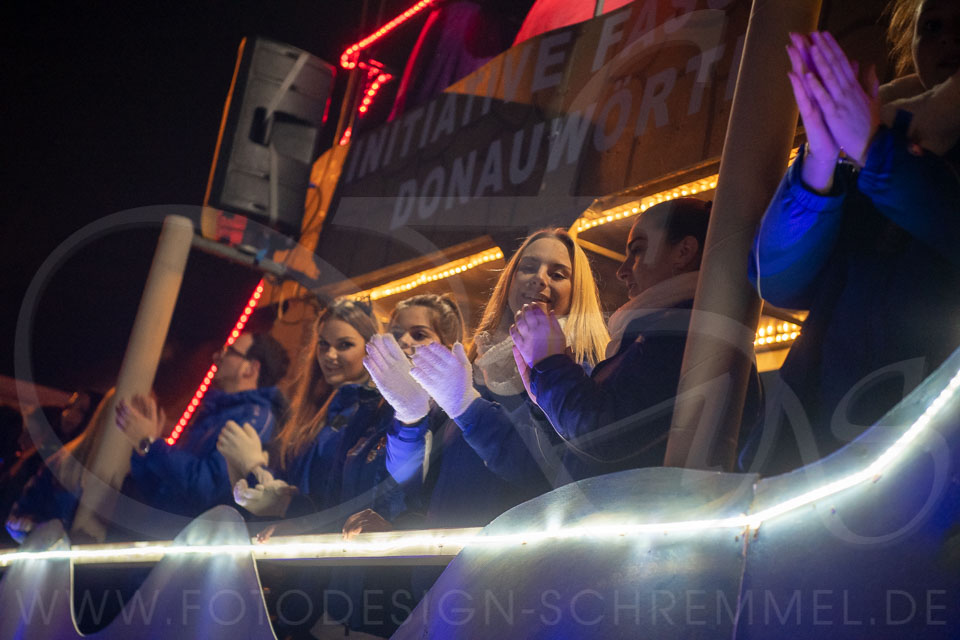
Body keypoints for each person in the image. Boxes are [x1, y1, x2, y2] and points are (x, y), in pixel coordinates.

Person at [747, 9, 960, 473]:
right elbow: (775, 279)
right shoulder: (877, 124)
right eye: (932, 26)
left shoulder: (875, 138)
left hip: (932, 455)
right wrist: (821, 161)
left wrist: (874, 151)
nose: (948, 39)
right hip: (814, 444)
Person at [507, 199, 758, 478]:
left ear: (684, 252)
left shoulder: (683, 334)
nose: (622, 270)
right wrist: (544, 395)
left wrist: (552, 365)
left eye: (637, 250)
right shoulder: (658, 335)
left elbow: (606, 438)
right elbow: (575, 462)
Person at [378, 229, 610, 532]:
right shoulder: (472, 367)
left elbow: (543, 470)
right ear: (509, 281)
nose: (539, 279)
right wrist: (409, 419)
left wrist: (468, 407)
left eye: (557, 274)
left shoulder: (578, 373)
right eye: (528, 267)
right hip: (446, 551)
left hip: (515, 551)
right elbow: (414, 482)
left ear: (577, 291)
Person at [219, 299, 393, 531]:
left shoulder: (374, 414)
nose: (330, 355)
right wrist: (253, 471)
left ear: (371, 348)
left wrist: (287, 507)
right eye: (323, 345)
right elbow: (292, 486)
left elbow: (340, 504)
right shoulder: (316, 410)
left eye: (344, 345)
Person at [117, 331, 289, 520]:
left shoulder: (254, 420)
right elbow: (165, 489)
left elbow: (207, 489)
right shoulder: (218, 412)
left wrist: (150, 444)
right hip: (166, 531)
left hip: (188, 535)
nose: (217, 356)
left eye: (229, 351)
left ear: (250, 369)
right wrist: (144, 450)